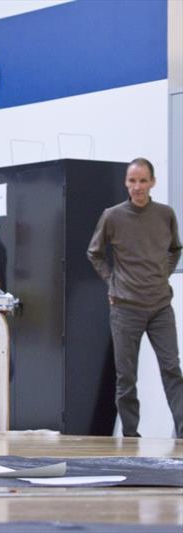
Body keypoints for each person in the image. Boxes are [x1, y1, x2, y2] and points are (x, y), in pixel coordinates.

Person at [87, 157, 183, 438]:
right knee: (126, 377)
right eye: (132, 181)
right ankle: (131, 436)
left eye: (143, 180)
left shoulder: (165, 214)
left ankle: (182, 433)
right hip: (125, 307)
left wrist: (162, 274)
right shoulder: (112, 216)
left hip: (160, 306)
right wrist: (112, 282)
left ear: (152, 182)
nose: (137, 186)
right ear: (126, 183)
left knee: (172, 368)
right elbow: (94, 252)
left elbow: (175, 248)